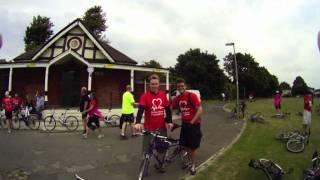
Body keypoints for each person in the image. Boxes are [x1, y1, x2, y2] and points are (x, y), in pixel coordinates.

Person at [134, 74, 173, 172]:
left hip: (161, 128)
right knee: (146, 151)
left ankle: (160, 165)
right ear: (149, 85)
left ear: (158, 84)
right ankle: (144, 170)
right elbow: (140, 110)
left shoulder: (163, 95)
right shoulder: (145, 96)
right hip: (149, 128)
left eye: (156, 84)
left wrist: (169, 121)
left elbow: (168, 109)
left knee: (161, 149)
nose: (154, 85)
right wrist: (138, 122)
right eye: (152, 84)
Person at [172, 78, 203, 175]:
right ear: (177, 88)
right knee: (184, 145)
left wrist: (192, 122)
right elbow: (170, 107)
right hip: (185, 124)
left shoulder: (191, 96)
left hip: (193, 124)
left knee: (192, 147)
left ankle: (193, 166)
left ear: (185, 86)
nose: (180, 88)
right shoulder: (177, 98)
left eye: (182, 86)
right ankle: (189, 161)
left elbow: (200, 110)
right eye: (178, 86)